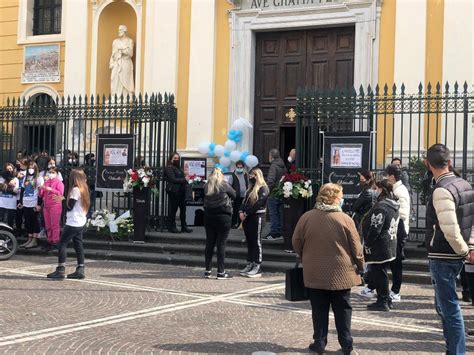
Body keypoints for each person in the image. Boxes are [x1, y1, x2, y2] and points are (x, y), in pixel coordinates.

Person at [293, 183, 364, 355]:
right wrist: (361, 266)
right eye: (340, 196)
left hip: (315, 271)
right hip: (341, 272)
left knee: (318, 309)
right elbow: (356, 248)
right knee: (343, 310)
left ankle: (319, 343)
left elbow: (296, 242)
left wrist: (306, 256)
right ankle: (346, 345)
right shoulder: (345, 219)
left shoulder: (307, 217)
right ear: (335, 198)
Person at [424, 144, 474, 355]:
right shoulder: (465, 184)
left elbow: (450, 229)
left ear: (427, 164)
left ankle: (456, 351)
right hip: (456, 252)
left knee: (449, 308)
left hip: (444, 254)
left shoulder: (442, 190)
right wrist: (470, 246)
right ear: (450, 162)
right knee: (446, 307)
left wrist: (463, 250)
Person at [362, 178, 400, 311]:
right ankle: (386, 299)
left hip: (380, 245)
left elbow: (376, 227)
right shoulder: (393, 204)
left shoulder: (382, 206)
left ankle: (382, 300)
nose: (374, 191)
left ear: (381, 190)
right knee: (381, 272)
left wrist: (368, 242)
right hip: (388, 243)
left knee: (380, 273)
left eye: (376, 189)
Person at [47, 169, 91, 280]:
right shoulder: (84, 188)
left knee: (62, 244)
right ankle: (80, 269)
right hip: (81, 220)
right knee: (78, 245)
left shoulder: (75, 190)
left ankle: (61, 270)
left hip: (73, 222)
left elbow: (69, 206)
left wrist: (62, 200)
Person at [203, 168, 236, 279]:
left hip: (209, 216)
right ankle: (221, 272)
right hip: (223, 217)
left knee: (209, 243)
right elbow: (234, 194)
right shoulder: (224, 185)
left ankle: (208, 270)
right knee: (221, 244)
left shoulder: (207, 186)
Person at [385, 164, 411, 302]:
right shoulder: (396, 189)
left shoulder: (399, 191)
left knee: (397, 262)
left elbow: (403, 214)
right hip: (395, 229)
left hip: (398, 230)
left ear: (392, 176)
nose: (386, 178)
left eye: (387, 175)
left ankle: (396, 291)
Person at [239, 168, 269, 278]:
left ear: (257, 176)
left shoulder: (263, 188)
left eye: (253, 175)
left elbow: (258, 203)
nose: (251, 177)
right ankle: (250, 262)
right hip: (248, 218)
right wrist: (241, 211)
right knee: (250, 241)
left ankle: (257, 265)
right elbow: (244, 201)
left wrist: (246, 213)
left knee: (256, 241)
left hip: (258, 217)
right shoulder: (250, 189)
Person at [164, 152, 192, 234]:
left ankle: (184, 226)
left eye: (178, 158)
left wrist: (186, 176)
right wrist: (184, 179)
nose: (177, 160)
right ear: (171, 159)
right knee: (174, 209)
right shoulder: (169, 168)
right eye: (175, 158)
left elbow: (181, 177)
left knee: (183, 209)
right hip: (174, 191)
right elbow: (173, 179)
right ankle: (172, 226)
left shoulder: (179, 168)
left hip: (181, 191)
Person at [19, 161, 44, 249]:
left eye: (32, 168)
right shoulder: (25, 178)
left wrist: (39, 204)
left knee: (35, 221)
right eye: (29, 167)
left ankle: (34, 239)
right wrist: (21, 202)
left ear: (35, 169)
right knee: (28, 221)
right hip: (26, 202)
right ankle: (29, 238)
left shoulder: (39, 178)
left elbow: (41, 192)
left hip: (34, 203)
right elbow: (22, 190)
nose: (31, 169)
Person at [39, 167, 64, 251]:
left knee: (55, 224)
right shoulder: (46, 182)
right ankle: (49, 240)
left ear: (56, 174)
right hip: (46, 206)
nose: (51, 174)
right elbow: (41, 195)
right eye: (49, 172)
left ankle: (55, 241)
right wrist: (41, 189)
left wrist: (51, 189)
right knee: (48, 225)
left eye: (53, 172)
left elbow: (61, 194)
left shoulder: (59, 183)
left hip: (55, 205)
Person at [264, 148, 286, 241]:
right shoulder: (283, 165)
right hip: (281, 192)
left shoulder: (273, 166)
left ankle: (274, 233)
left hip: (273, 193)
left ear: (271, 156)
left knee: (273, 214)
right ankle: (280, 232)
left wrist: (267, 191)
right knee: (280, 213)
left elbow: (271, 181)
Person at [229, 160, 248, 229]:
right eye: (238, 167)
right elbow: (229, 186)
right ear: (236, 167)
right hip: (236, 197)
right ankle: (233, 224)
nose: (239, 169)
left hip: (244, 197)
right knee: (235, 210)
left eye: (241, 167)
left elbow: (247, 184)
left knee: (242, 211)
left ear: (243, 167)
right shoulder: (233, 175)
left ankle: (241, 224)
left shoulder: (245, 175)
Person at [0, 163, 19, 228]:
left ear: (13, 169)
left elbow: (16, 192)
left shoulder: (16, 179)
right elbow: (0, 188)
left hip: (11, 203)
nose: (9, 170)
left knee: (10, 220)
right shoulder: (2, 178)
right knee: (1, 219)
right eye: (7, 169)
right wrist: (10, 188)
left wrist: (5, 188)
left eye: (10, 169)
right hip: (2, 203)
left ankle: (9, 235)